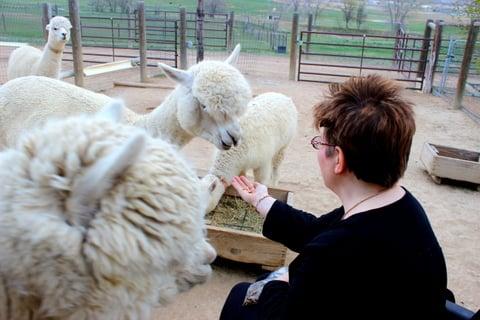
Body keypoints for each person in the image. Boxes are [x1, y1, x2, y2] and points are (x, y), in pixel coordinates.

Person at [219, 74, 448, 320]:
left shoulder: (330, 254)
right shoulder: (399, 206)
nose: (317, 150)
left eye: (320, 143)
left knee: (239, 296)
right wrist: (263, 201)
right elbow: (318, 230)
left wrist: (282, 278)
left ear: (338, 159)